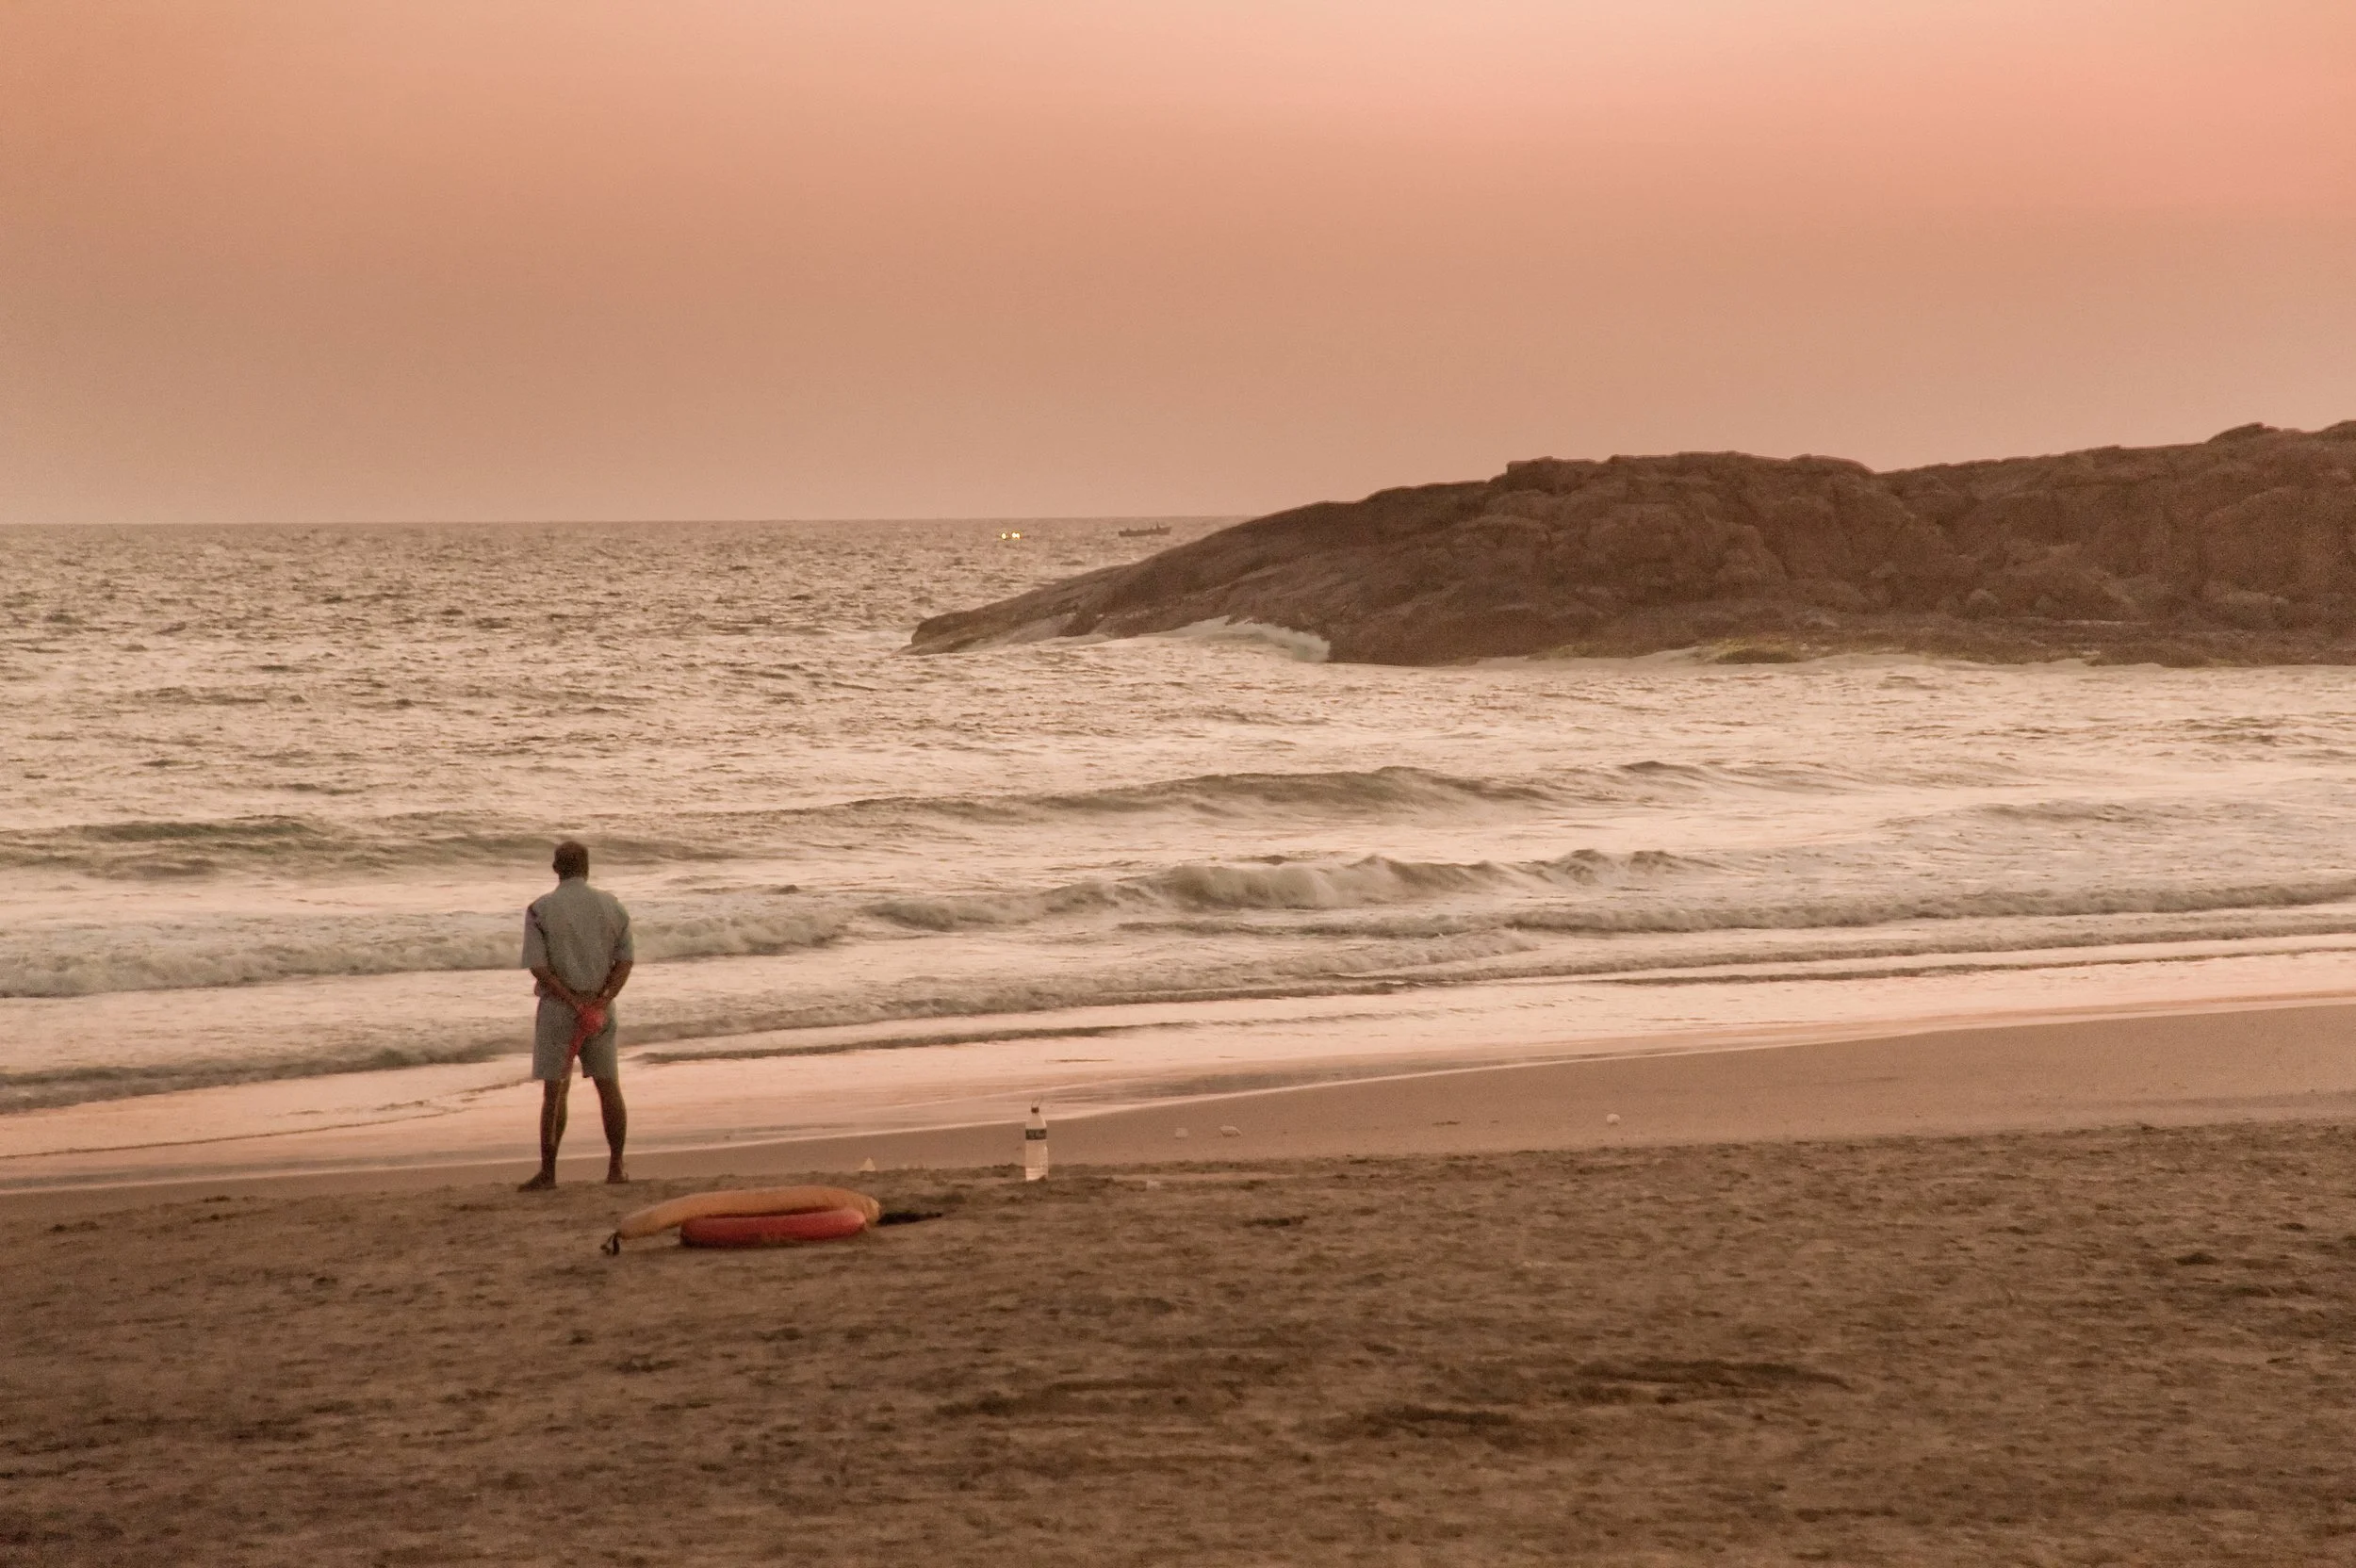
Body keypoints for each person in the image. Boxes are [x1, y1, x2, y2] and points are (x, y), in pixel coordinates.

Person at [517, 840, 634, 1190]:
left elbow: (538, 967)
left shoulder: (541, 909)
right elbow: (625, 961)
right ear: (587, 868)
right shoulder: (612, 906)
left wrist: (571, 1000)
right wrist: (601, 1000)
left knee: (555, 1092)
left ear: (556, 869)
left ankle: (549, 1173)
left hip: (559, 1009)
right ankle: (615, 1167)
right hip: (600, 1007)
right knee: (608, 1086)